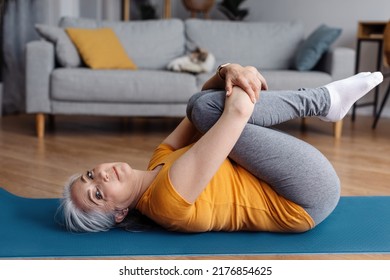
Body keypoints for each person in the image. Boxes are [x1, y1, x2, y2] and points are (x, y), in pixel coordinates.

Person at [58, 63, 383, 233]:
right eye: (98, 194)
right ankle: (322, 100)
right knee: (207, 110)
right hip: (305, 197)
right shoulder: (166, 199)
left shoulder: (158, 162)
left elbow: (204, 101)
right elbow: (235, 111)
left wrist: (227, 70)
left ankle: (327, 102)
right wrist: (247, 72)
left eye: (90, 175)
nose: (100, 177)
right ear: (119, 214)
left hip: (290, 181)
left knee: (199, 106)